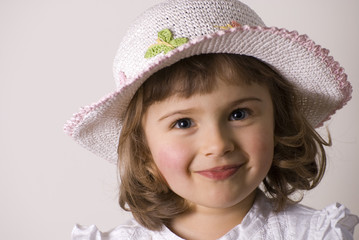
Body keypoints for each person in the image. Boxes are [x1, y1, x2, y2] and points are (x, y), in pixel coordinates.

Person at [65, 0, 359, 239]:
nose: (217, 145)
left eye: (238, 114)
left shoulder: (315, 234)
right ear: (143, 148)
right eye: (183, 123)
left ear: (277, 123)